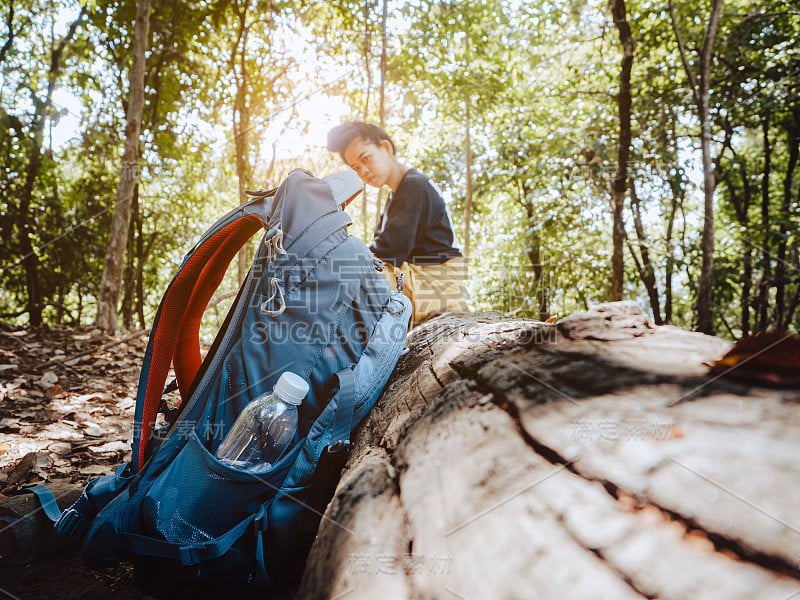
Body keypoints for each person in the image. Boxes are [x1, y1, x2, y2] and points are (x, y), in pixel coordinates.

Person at [327, 121, 469, 326]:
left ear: (386, 148)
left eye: (366, 158)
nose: (363, 171)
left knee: (346, 281)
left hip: (435, 282)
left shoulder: (414, 186)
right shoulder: (397, 194)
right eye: (356, 168)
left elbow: (388, 250)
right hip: (418, 278)